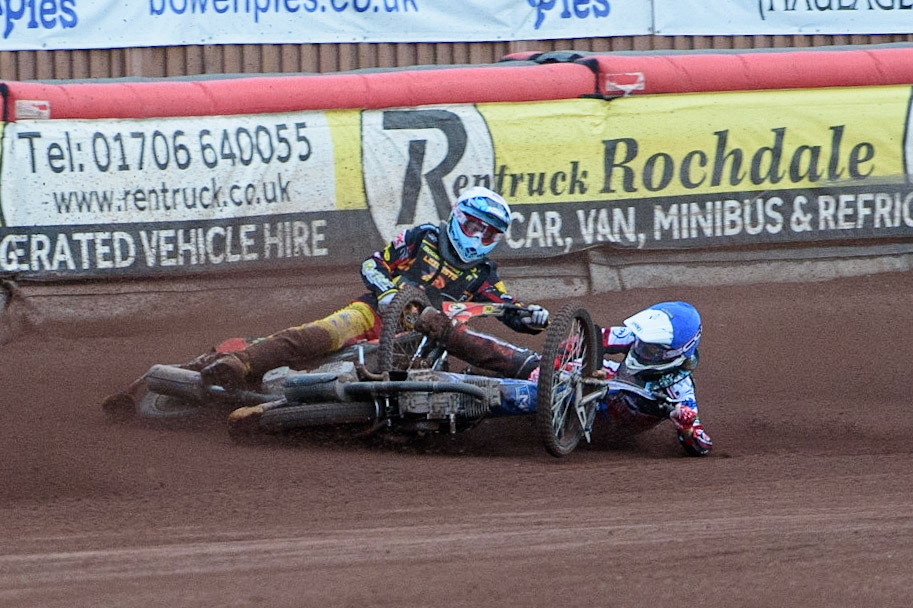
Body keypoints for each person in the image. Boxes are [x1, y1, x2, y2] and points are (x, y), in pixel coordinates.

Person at [198, 186, 550, 392]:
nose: (478, 238)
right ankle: (239, 362)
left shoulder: (483, 272)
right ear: (457, 217)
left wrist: (532, 316)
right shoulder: (422, 238)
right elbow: (372, 264)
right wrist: (385, 292)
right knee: (317, 336)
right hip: (374, 314)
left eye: (488, 234)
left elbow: (505, 307)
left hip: (424, 343)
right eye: (473, 226)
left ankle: (532, 372)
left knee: (464, 353)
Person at [413, 300, 712, 457]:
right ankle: (446, 330)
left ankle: (440, 392)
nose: (641, 348)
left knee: (526, 395)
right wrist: (552, 362)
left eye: (651, 348)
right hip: (585, 377)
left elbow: (701, 443)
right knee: (518, 358)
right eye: (642, 342)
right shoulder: (636, 338)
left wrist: (686, 428)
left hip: (595, 418)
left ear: (675, 353)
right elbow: (591, 339)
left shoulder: (680, 389)